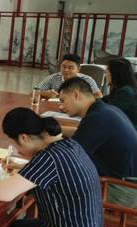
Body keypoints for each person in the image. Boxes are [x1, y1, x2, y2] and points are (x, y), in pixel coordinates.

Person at [58, 76, 137, 208]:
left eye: (62, 100)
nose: (61, 106)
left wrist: (44, 142)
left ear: (76, 95)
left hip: (123, 189)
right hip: (126, 182)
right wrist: (56, 129)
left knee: (56, 184)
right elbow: (81, 132)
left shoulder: (97, 118)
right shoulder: (105, 110)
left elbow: (69, 157)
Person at [37, 53, 102, 99]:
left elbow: (99, 96)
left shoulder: (87, 80)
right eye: (64, 67)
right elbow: (35, 91)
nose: (66, 70)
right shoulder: (53, 78)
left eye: (70, 68)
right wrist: (46, 93)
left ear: (78, 69)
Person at [103, 57, 137, 129]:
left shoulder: (126, 92)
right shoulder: (121, 88)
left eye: (107, 71)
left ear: (115, 74)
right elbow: (104, 100)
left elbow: (107, 112)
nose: (105, 75)